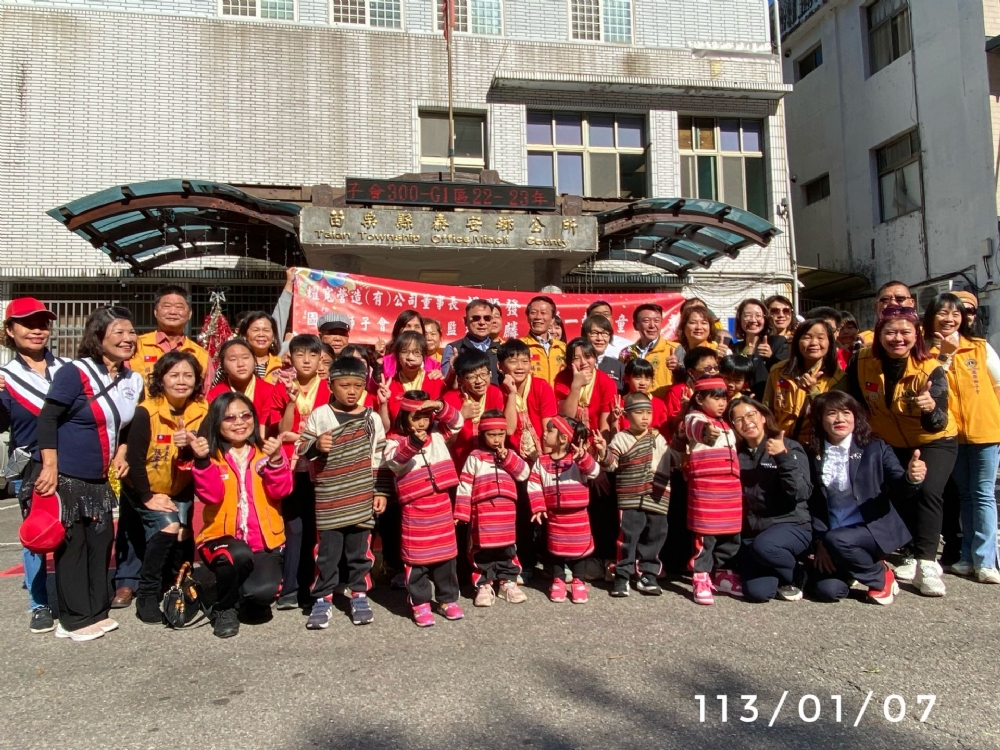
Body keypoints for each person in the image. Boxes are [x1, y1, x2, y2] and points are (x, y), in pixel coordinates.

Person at [35, 306, 144, 641]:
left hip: (99, 481)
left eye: (131, 332)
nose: (128, 339)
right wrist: (50, 465)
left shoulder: (132, 378)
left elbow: (126, 427)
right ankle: (73, 618)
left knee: (101, 543)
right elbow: (48, 418)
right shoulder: (76, 372)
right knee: (73, 547)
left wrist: (123, 452)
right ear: (98, 337)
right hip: (67, 475)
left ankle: (97, 610)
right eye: (119, 333)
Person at [846, 305, 955, 596]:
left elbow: (938, 422)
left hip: (933, 440)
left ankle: (927, 566)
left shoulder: (929, 367)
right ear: (879, 334)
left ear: (916, 335)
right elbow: (855, 403)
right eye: (890, 331)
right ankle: (898, 553)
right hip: (889, 440)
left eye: (905, 332)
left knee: (928, 490)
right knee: (895, 492)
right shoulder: (862, 360)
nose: (898, 338)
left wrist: (930, 408)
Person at [119, 286, 208, 607]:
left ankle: (178, 583)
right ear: (155, 312)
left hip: (178, 463)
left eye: (180, 306)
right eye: (166, 305)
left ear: (189, 314)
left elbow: (199, 399)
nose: (173, 310)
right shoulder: (136, 346)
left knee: (180, 528)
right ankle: (129, 582)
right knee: (133, 521)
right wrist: (121, 446)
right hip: (140, 444)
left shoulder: (200, 353)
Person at [297, 356, 391, 629]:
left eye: (358, 385)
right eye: (345, 385)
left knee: (359, 551)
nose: (351, 391)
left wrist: (380, 491)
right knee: (327, 553)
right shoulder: (320, 415)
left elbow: (380, 456)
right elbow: (301, 448)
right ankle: (323, 598)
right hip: (329, 498)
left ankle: (359, 594)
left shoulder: (372, 417)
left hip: (362, 496)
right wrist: (316, 445)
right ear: (330, 384)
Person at [807, 391, 923, 605]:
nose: (840, 419)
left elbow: (899, 484)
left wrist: (911, 478)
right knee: (828, 591)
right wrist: (819, 541)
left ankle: (881, 575)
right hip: (833, 534)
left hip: (872, 529)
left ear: (855, 416)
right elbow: (813, 502)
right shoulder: (813, 452)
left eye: (846, 412)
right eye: (832, 413)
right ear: (820, 419)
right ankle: (856, 567)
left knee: (838, 540)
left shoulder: (875, 447)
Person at [192, 393, 291, 638]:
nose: (239, 422)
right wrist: (202, 461)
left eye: (245, 415)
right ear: (216, 422)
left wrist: (277, 460)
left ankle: (238, 591)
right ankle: (225, 608)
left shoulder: (266, 451)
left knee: (262, 594)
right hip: (220, 539)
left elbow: (282, 490)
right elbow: (212, 496)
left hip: (263, 542)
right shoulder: (211, 455)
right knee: (236, 554)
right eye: (229, 418)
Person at [0, 297, 68, 634]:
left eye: (43, 322)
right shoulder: (4, 378)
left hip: (72, 462)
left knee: (75, 532)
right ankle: (39, 603)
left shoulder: (68, 369)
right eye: (27, 323)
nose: (37, 330)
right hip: (30, 465)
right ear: (10, 331)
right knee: (37, 534)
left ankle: (72, 597)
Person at [924, 293, 1000, 583]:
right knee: (966, 495)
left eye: (955, 313)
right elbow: (930, 383)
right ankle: (968, 557)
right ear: (931, 317)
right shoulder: (926, 351)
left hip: (986, 430)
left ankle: (986, 561)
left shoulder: (979, 347)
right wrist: (945, 353)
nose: (950, 318)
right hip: (951, 433)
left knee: (982, 493)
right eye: (942, 313)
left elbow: (998, 385)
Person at [383, 392, 465, 627]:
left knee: (446, 556)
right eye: (415, 417)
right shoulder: (394, 440)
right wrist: (414, 443)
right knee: (416, 558)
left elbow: (457, 421)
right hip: (415, 507)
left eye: (426, 417)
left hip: (440, 503)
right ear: (404, 417)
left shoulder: (438, 433)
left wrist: (440, 405)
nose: (421, 423)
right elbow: (395, 462)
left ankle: (447, 599)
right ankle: (419, 602)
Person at [728, 398, 812, 603]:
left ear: (763, 417)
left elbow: (801, 492)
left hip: (790, 524)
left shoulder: (789, 446)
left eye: (750, 415)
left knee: (765, 547)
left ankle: (798, 573)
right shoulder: (735, 454)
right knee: (758, 593)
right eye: (738, 419)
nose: (746, 422)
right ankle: (781, 573)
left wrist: (782, 458)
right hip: (754, 533)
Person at [270, 333, 329, 609]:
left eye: (312, 355)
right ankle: (290, 588)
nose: (306, 360)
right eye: (300, 354)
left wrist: (301, 436)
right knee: (293, 528)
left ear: (320, 360)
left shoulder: (330, 388)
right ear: (290, 358)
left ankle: (314, 586)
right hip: (292, 469)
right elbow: (282, 432)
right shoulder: (280, 387)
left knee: (316, 528)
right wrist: (291, 403)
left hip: (321, 467)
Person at [594, 393, 672, 597]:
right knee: (627, 537)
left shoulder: (658, 437)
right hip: (629, 496)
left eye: (648, 412)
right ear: (627, 416)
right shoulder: (621, 438)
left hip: (656, 496)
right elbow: (611, 465)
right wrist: (603, 451)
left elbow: (671, 459)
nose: (645, 417)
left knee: (654, 536)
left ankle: (648, 574)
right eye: (639, 413)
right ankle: (622, 575)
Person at [454, 410, 531, 607]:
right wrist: (461, 512)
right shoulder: (475, 457)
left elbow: (524, 474)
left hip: (506, 514)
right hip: (483, 514)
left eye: (500, 434)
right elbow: (465, 485)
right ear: (482, 435)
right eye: (491, 434)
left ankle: (508, 582)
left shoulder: (510, 455)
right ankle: (483, 584)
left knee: (507, 549)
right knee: (482, 551)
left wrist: (507, 458)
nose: (496, 439)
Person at [527, 416, 600, 603]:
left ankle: (579, 581)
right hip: (555, 516)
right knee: (556, 549)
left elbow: (594, 472)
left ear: (563, 438)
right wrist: (538, 506)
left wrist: (583, 457)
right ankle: (558, 580)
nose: (545, 434)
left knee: (580, 550)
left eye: (550, 431)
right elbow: (534, 484)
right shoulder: (542, 462)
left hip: (578, 516)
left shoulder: (578, 459)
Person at [683, 377, 742, 605]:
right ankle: (700, 576)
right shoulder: (696, 418)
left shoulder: (727, 423)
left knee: (731, 534)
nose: (721, 403)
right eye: (715, 397)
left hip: (730, 487)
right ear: (699, 398)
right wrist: (706, 430)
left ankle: (722, 573)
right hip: (707, 487)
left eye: (724, 397)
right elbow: (694, 429)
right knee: (705, 535)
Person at [762, 319, 845, 445]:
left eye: (820, 338)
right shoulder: (778, 371)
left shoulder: (838, 377)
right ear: (797, 342)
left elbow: (835, 416)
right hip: (781, 443)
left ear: (830, 343)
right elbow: (767, 409)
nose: (813, 343)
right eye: (807, 337)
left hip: (816, 445)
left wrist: (813, 391)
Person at [442, 349, 505, 468]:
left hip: (490, 463)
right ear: (461, 380)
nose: (479, 381)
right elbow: (444, 442)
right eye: (471, 377)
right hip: (460, 462)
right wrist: (460, 417)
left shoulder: (495, 393)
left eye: (483, 374)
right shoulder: (450, 399)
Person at [375, 331, 446, 430]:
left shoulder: (436, 382)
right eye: (404, 352)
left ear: (424, 355)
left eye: (416, 352)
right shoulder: (388, 387)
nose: (410, 358)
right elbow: (384, 429)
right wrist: (383, 404)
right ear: (397, 356)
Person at [207, 339, 276, 435]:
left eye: (245, 357)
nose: (241, 364)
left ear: (254, 360)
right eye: (233, 359)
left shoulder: (270, 391)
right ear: (223, 366)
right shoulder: (215, 395)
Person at [554, 337, 615, 438]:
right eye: (576, 359)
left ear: (595, 358)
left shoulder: (606, 382)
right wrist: (576, 386)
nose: (583, 363)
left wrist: (602, 449)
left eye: (588, 356)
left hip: (596, 438)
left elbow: (605, 423)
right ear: (569, 364)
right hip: (568, 438)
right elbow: (566, 416)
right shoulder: (562, 378)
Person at [732, 298, 789, 400]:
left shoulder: (777, 342)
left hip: (768, 402)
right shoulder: (734, 348)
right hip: (741, 402)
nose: (753, 320)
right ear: (739, 319)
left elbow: (786, 373)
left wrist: (771, 358)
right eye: (747, 315)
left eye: (758, 315)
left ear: (765, 319)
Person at [620, 303, 679, 399]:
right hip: (634, 408)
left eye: (657, 321)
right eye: (646, 321)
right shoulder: (626, 352)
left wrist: (678, 368)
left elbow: (687, 379)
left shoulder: (674, 348)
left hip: (663, 408)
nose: (652, 325)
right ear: (635, 325)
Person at [442, 299, 499, 385]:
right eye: (476, 318)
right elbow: (445, 384)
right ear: (466, 321)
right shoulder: (454, 349)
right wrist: (452, 371)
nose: (482, 322)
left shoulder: (501, 349)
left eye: (487, 318)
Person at [381, 311, 441, 380]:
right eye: (408, 326)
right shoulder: (386, 362)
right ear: (398, 330)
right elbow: (374, 388)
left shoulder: (434, 365)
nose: (413, 330)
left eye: (417, 326)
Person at [520, 295, 566, 387]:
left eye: (543, 313)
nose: (538, 317)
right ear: (528, 317)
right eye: (533, 312)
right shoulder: (519, 346)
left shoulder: (563, 348)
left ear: (552, 319)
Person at [618, 358, 669, 434]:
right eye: (637, 377)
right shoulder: (620, 403)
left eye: (647, 378)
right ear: (626, 378)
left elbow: (665, 433)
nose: (642, 383)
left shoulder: (659, 404)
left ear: (652, 381)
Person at [857, 281, 915, 346]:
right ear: (876, 307)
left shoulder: (925, 335)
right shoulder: (864, 339)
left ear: (911, 303)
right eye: (885, 300)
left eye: (900, 299)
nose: (893, 303)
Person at [583, 314, 625, 395]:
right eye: (594, 333)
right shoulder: (578, 365)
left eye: (605, 333)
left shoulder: (618, 366)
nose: (600, 338)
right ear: (585, 335)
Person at [237, 311, 283, 383]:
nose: (261, 334)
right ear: (245, 335)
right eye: (256, 330)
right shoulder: (233, 363)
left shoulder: (281, 365)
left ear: (273, 336)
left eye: (266, 330)